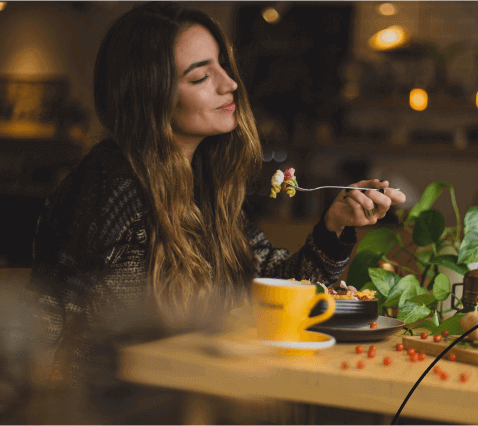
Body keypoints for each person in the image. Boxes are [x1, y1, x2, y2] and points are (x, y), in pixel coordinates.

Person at [25, 1, 405, 423]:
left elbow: (272, 289)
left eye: (223, 66)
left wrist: (334, 227)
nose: (230, 84)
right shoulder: (114, 185)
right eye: (202, 76)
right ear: (151, 96)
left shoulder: (203, 185)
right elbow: (89, 338)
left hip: (188, 395)